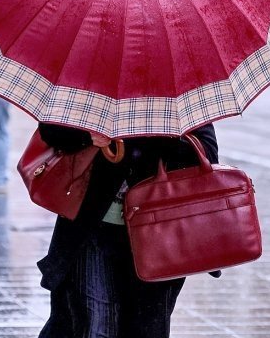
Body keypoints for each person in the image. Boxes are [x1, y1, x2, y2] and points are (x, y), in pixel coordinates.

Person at [36, 123, 219, 338]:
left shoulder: (174, 99)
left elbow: (207, 152)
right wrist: (87, 136)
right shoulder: (90, 90)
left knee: (145, 327)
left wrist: (149, 135)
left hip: (158, 235)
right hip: (92, 227)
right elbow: (51, 131)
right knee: (94, 324)